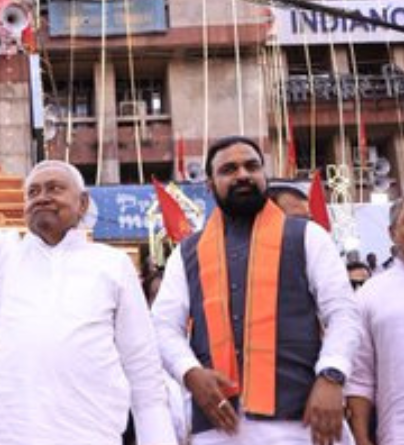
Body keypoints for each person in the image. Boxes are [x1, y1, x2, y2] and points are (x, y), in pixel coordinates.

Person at [0, 104, 177, 445]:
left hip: (87, 434)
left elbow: (143, 371)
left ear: (83, 204)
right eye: (33, 193)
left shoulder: (112, 265)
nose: (42, 198)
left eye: (54, 189)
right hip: (0, 435)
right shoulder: (3, 253)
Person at [153, 136, 360, 445]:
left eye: (252, 166)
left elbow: (343, 313)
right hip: (218, 429)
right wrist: (190, 372)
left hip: (300, 423)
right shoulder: (187, 254)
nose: (243, 175)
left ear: (264, 174)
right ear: (209, 185)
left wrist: (332, 375)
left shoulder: (307, 236)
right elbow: (162, 326)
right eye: (229, 169)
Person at [346, 191, 404, 445]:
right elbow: (360, 377)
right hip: (403, 435)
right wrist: (361, 437)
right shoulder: (370, 294)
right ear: (392, 233)